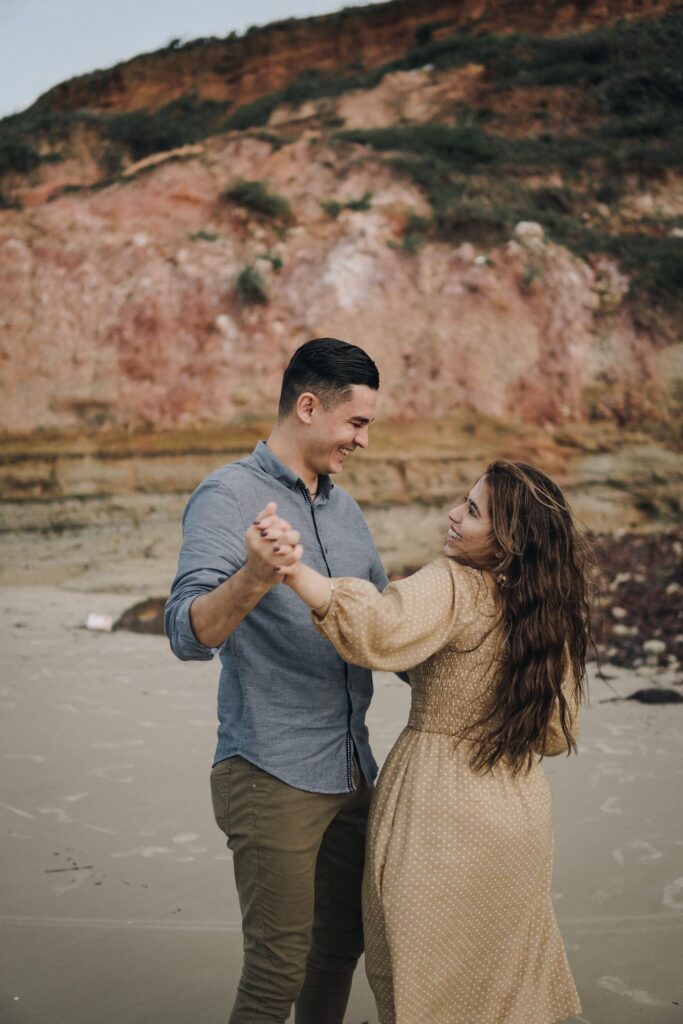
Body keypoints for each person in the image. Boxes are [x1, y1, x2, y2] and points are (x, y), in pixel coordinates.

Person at [251, 461, 595, 1024]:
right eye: (464, 501)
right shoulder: (547, 612)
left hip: (439, 811)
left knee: (420, 981)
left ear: (507, 541)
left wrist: (293, 572)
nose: (454, 515)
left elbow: (381, 628)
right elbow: (557, 734)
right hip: (518, 816)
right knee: (502, 988)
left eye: (474, 512)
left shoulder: (453, 580)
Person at [164, 338, 390, 1024]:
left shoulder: (345, 511)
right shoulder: (227, 494)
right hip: (271, 770)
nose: (362, 440)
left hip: (353, 768)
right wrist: (256, 575)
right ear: (309, 405)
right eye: (356, 423)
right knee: (275, 971)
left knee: (340, 948)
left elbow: (382, 628)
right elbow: (185, 631)